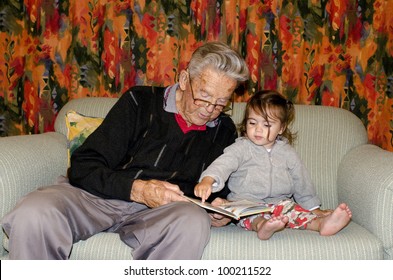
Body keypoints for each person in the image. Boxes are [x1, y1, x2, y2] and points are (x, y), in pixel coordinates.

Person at [1, 41, 249, 259]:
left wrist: (220, 210)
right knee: (35, 212)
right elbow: (83, 165)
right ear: (184, 80)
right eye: (203, 96)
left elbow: (218, 186)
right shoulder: (140, 102)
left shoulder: (223, 129)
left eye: (220, 103)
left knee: (192, 221)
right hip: (98, 197)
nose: (209, 109)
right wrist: (139, 189)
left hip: (162, 212)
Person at [194, 90, 352, 240]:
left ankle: (321, 224)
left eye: (267, 125)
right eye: (252, 122)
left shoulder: (287, 153)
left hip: (279, 203)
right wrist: (208, 180)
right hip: (246, 202)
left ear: (281, 128)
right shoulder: (241, 148)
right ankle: (263, 226)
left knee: (293, 211)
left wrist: (314, 209)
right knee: (249, 215)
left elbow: (301, 181)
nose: (258, 129)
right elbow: (223, 163)